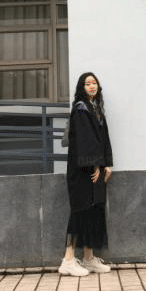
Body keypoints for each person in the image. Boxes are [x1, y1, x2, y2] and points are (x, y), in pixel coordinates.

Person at [58, 72, 113, 276]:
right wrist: (95, 165)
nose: (91, 86)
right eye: (87, 83)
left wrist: (107, 164)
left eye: (94, 82)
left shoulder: (96, 109)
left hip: (96, 168)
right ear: (82, 88)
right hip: (82, 170)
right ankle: (68, 260)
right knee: (80, 211)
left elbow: (103, 138)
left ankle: (89, 259)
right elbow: (84, 141)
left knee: (93, 212)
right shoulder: (80, 109)